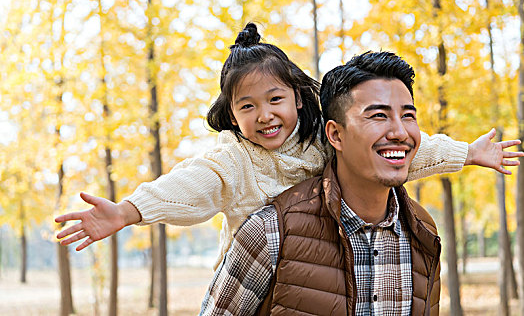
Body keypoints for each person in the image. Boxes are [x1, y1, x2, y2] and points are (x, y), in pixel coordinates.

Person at [55, 24, 521, 272]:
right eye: (247, 106)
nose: (265, 115)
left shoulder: (325, 142)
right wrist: (129, 211)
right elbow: (190, 186)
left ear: (298, 97)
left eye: (275, 99)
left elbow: (395, 151)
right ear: (232, 115)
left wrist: (466, 154)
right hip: (254, 281)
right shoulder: (234, 161)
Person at [200, 51, 522, 315]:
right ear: (335, 135)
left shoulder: (423, 232)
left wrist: (468, 152)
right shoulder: (270, 231)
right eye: (379, 116)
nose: (399, 132)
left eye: (408, 115)